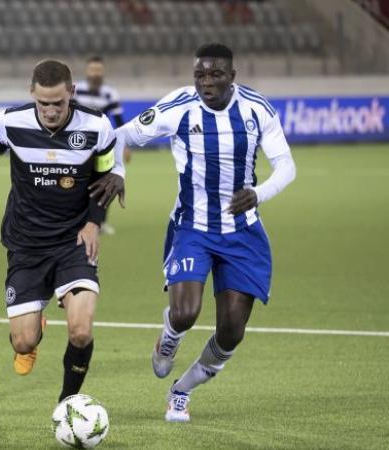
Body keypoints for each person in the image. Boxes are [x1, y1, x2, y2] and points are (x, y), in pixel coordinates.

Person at [116, 43, 296, 422]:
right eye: (200, 75)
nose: (207, 82)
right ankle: (169, 337)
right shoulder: (178, 106)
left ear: (233, 75)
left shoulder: (257, 109)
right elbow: (121, 136)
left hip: (242, 233)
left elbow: (286, 167)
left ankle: (181, 390)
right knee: (185, 313)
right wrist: (117, 172)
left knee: (231, 332)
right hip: (192, 227)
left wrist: (257, 193)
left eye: (215, 75)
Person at [0, 60, 124, 402]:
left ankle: (67, 403)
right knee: (23, 341)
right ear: (32, 94)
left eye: (58, 103)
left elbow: (105, 180)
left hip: (74, 239)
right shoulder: (10, 121)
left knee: (81, 331)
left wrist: (93, 223)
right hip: (26, 243)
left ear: (71, 93)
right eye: (43, 103)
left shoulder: (97, 126)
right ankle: (35, 328)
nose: (51, 111)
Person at [74, 56, 130, 235]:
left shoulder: (110, 93)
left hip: (102, 145)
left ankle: (101, 222)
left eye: (98, 69)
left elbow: (119, 122)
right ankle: (78, 220)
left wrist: (125, 146)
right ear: (87, 71)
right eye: (92, 69)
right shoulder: (76, 90)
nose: (95, 73)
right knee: (77, 183)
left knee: (104, 182)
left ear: (103, 71)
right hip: (78, 145)